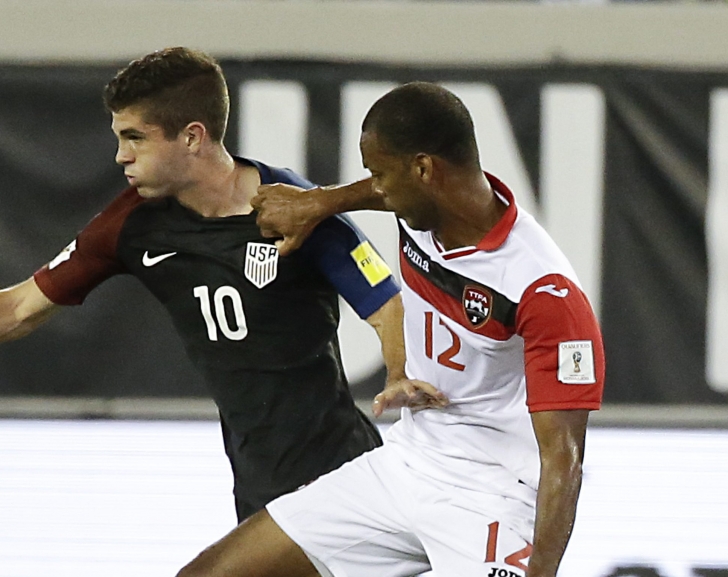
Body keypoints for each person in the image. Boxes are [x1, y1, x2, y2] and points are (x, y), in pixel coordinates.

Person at [0, 47, 424, 523]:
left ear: (191, 136)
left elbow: (383, 301)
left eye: (133, 138)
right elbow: (19, 307)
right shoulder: (131, 224)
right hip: (258, 486)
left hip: (345, 473)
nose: (119, 157)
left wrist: (397, 374)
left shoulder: (291, 208)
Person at [176, 82, 605, 577]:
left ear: (424, 170)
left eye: (379, 174)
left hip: (494, 497)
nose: (375, 188)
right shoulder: (427, 205)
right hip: (405, 466)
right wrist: (320, 203)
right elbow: (382, 192)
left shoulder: (544, 292)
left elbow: (564, 461)